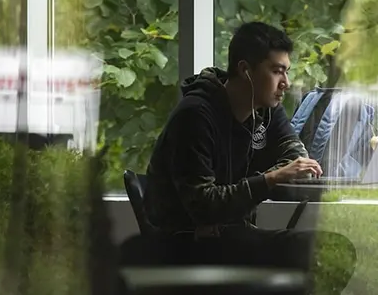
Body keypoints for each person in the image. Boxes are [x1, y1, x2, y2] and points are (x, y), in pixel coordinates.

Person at [122, 22, 356, 293]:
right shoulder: (195, 116)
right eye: (276, 71)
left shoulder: (266, 109)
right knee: (317, 252)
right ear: (246, 70)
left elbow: (294, 151)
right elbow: (204, 206)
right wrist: (272, 177)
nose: (286, 83)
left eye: (286, 72)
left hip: (229, 235)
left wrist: (276, 173)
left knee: (334, 250)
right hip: (187, 247)